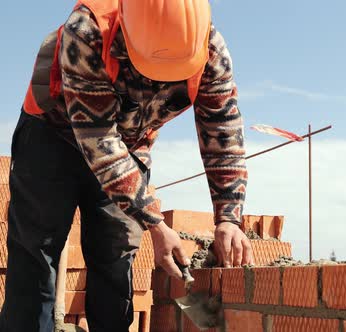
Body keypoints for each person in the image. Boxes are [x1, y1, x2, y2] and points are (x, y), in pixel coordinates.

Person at [0, 0, 252, 330]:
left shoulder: (210, 51)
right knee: (36, 257)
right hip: (52, 133)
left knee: (115, 258)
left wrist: (229, 217)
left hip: (128, 144)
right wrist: (155, 224)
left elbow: (223, 131)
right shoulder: (89, 30)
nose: (160, 85)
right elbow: (100, 144)